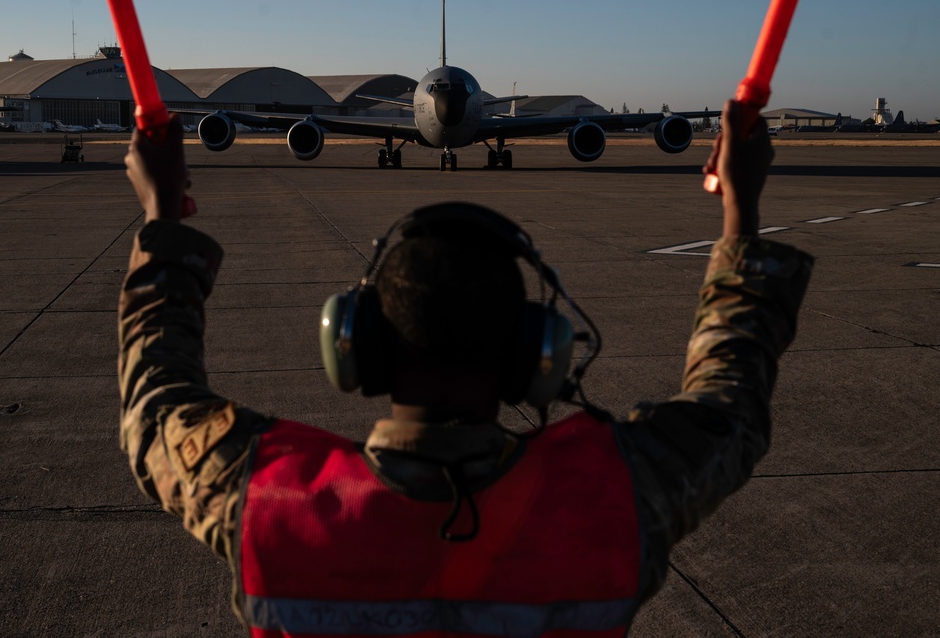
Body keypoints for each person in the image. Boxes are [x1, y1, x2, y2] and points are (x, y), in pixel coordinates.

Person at [119, 100, 813, 636]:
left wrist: (161, 211)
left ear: (359, 347)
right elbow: (732, 400)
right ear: (534, 356)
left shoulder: (270, 501)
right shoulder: (611, 496)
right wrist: (741, 207)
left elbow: (155, 405)